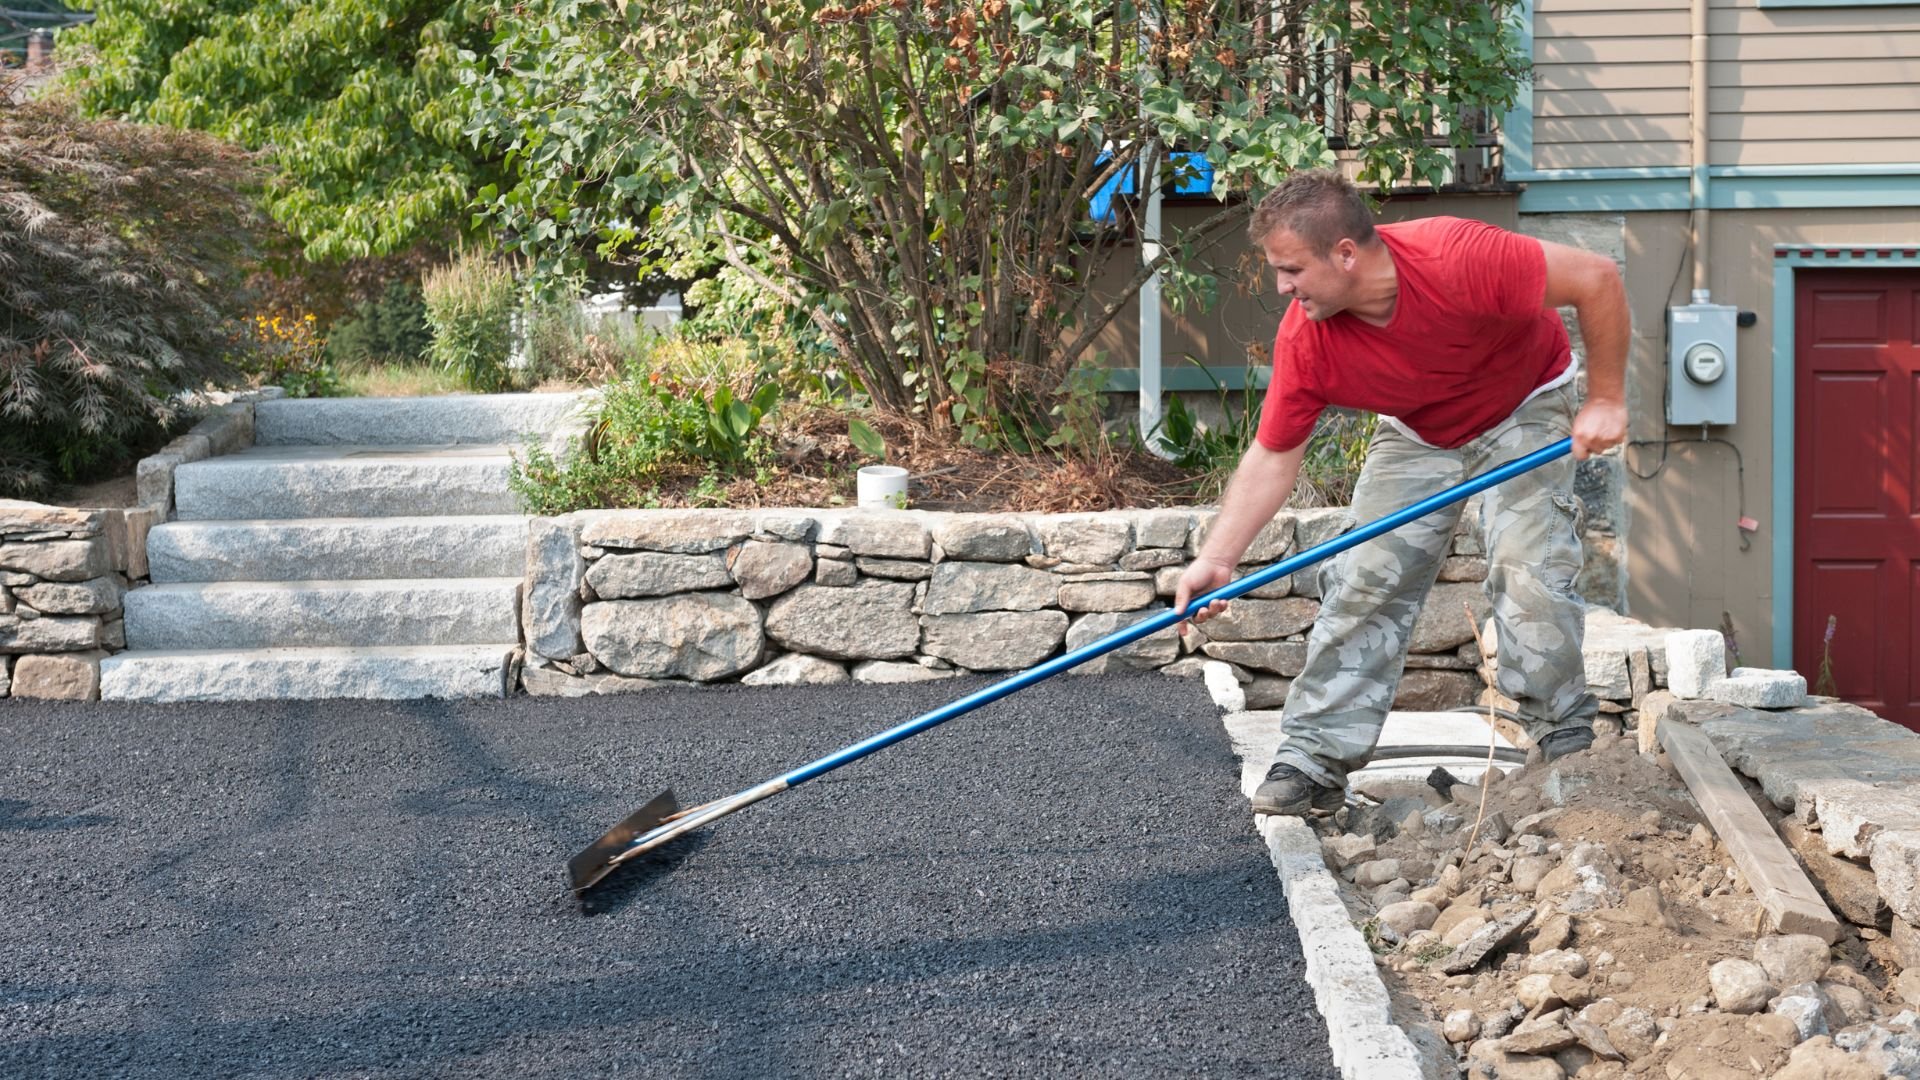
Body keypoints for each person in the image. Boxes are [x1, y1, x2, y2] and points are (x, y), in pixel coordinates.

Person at [1174, 170, 1629, 817]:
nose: (1282, 286)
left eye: (1290, 269)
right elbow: (1274, 455)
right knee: (1365, 574)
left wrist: (1608, 398)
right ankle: (1314, 760)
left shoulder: (1459, 259)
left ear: (1346, 254)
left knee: (1528, 566)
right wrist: (1218, 558)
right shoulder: (1309, 335)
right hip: (1419, 428)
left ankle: (1562, 736)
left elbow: (1597, 278)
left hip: (1522, 403)